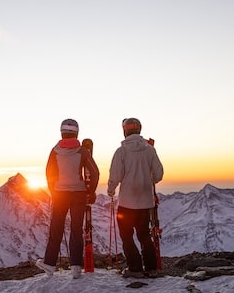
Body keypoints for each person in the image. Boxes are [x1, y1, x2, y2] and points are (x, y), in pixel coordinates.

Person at [36, 118, 100, 279]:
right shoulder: (83, 151)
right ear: (76, 132)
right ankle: (76, 267)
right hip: (79, 194)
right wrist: (90, 192)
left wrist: (53, 191)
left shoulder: (55, 151)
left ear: (61, 132)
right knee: (76, 229)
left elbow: (49, 173)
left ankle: (50, 264)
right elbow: (95, 172)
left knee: (56, 228)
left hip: (59, 194)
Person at [107, 117, 164, 278]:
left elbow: (115, 175)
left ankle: (135, 268)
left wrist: (111, 190)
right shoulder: (150, 150)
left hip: (126, 202)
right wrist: (148, 180)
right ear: (139, 129)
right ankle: (151, 268)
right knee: (144, 234)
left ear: (125, 131)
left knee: (126, 236)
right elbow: (158, 173)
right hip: (145, 202)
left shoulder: (121, 151)